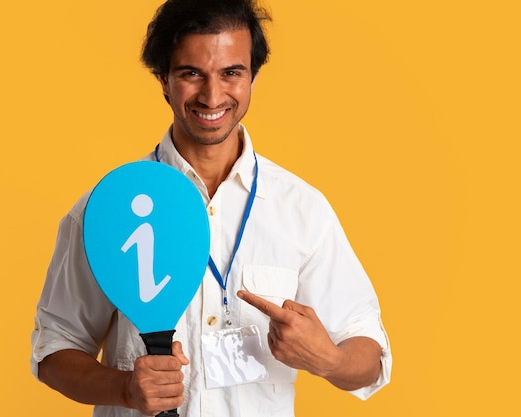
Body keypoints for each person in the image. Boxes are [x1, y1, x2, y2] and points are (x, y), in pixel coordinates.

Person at [30, 0, 392, 416]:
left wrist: (328, 358)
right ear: (163, 80)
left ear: (253, 77)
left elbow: (369, 353)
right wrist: (125, 388)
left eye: (231, 73)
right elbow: (54, 349)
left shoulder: (302, 210)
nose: (212, 95)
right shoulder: (106, 209)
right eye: (191, 74)